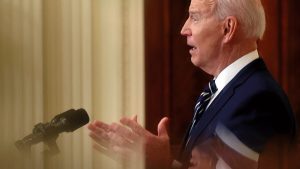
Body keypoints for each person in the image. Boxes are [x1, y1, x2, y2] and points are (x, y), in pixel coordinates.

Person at [88, 0, 296, 168]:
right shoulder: (227, 89)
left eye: (194, 17)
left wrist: (162, 163)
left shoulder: (257, 99)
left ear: (228, 28)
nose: (183, 29)